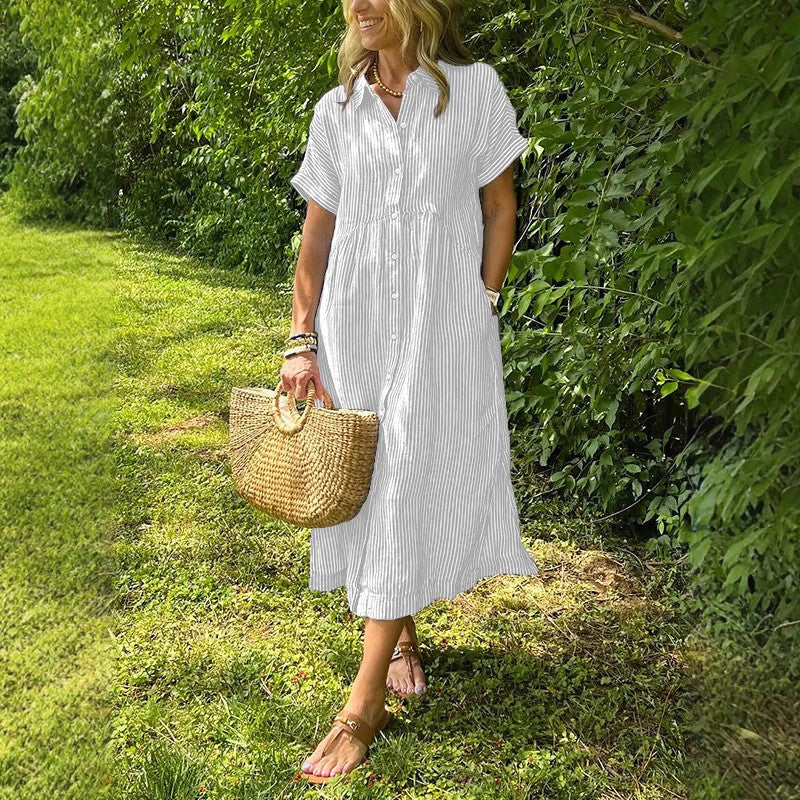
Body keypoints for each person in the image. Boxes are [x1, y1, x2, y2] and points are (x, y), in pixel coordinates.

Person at [281, 0, 539, 783]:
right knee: (374, 489)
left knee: (404, 483)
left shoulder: (475, 91)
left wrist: (480, 302)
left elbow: (501, 206)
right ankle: (400, 635)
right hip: (355, 331)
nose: (359, 6)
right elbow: (316, 236)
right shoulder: (336, 113)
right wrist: (300, 340)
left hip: (439, 335)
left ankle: (362, 706)